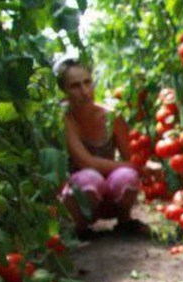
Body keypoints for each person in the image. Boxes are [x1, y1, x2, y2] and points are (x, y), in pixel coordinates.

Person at [55, 58, 146, 239]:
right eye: (75, 86)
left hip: (112, 199)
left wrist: (138, 166)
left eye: (87, 82)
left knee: (127, 177)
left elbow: (131, 157)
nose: (84, 91)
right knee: (90, 178)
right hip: (82, 200)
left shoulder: (112, 116)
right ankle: (80, 227)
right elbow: (85, 162)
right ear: (63, 91)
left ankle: (125, 219)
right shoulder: (64, 120)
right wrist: (139, 167)